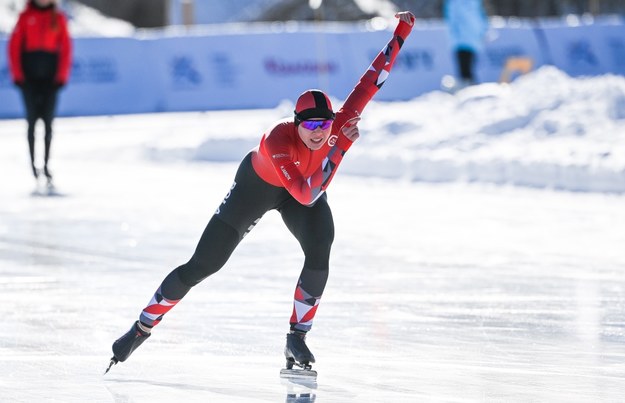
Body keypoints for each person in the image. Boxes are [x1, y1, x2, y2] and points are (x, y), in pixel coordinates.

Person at [106, 11, 415, 374]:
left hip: (305, 187)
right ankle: (142, 327)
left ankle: (297, 336)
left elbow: (372, 80)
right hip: (258, 187)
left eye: (325, 123)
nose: (319, 131)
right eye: (311, 125)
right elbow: (303, 194)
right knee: (205, 264)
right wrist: (340, 149)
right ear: (297, 124)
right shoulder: (277, 141)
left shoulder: (338, 124)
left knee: (320, 249)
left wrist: (401, 31)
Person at [8, 0, 72, 188]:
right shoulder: (25, 17)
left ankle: (46, 165)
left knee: (48, 124)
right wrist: (18, 76)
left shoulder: (58, 18)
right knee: (32, 123)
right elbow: (14, 47)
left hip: (50, 81)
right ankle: (33, 167)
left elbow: (66, 48)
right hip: (29, 81)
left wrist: (61, 76)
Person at [443, 0, 487, 89]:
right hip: (468, 41)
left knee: (466, 73)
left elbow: (451, 19)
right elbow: (481, 18)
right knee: (467, 72)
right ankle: (471, 93)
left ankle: (470, 94)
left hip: (463, 42)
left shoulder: (454, 3)